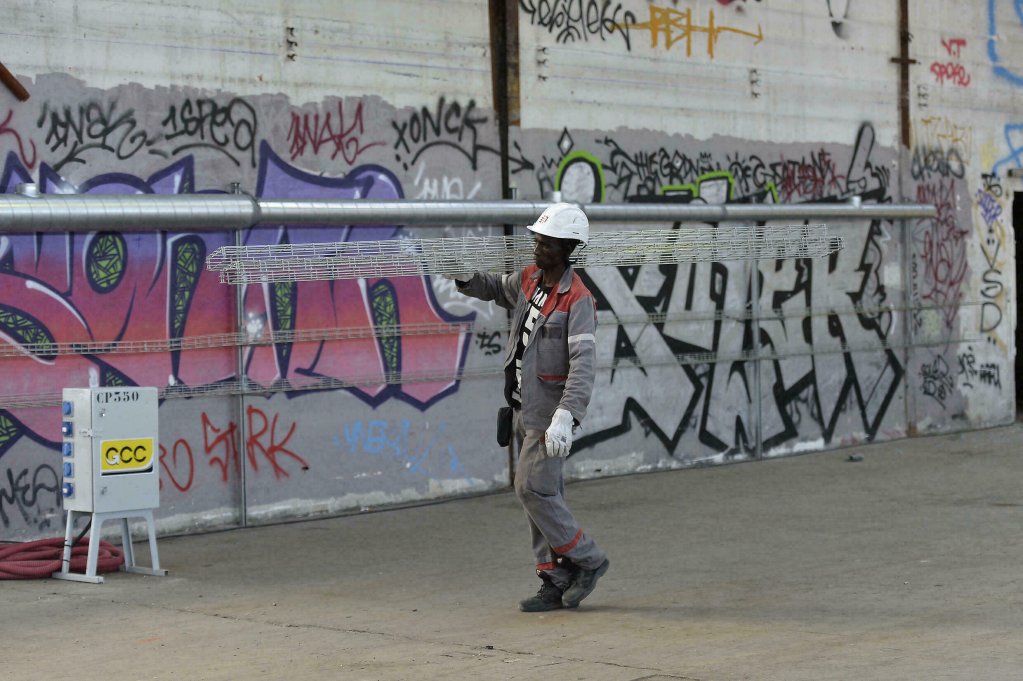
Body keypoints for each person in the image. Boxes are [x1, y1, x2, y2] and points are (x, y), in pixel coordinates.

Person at [446, 203, 609, 612]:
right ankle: (553, 579)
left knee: (530, 490)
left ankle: (588, 560)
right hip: (520, 408)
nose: (537, 247)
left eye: (546, 242)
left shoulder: (579, 300)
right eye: (536, 239)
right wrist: (465, 278)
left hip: (548, 416)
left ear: (569, 247)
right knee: (540, 497)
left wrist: (566, 416)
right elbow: (497, 288)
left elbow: (584, 365)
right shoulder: (529, 279)